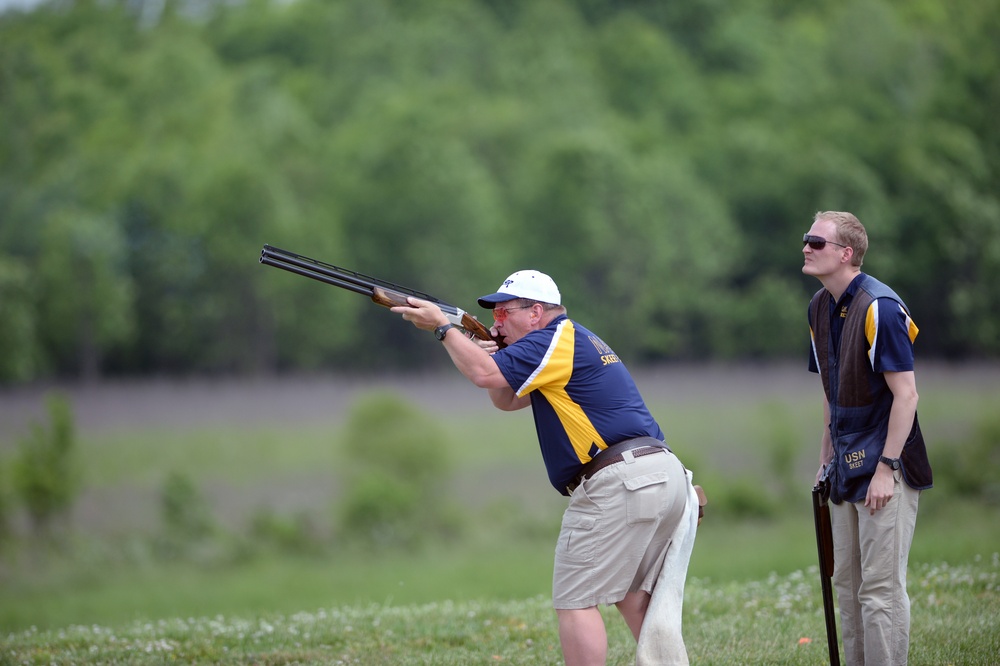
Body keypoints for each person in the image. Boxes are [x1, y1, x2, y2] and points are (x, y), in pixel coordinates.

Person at [391, 269, 702, 666]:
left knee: (575, 600)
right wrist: (475, 344)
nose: (496, 322)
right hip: (658, 474)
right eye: (495, 315)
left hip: (619, 482)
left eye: (504, 313)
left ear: (536, 311)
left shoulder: (553, 338)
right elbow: (504, 398)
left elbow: (485, 374)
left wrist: (442, 328)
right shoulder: (567, 341)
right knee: (633, 595)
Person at [802, 211, 933, 666]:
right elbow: (831, 392)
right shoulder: (819, 307)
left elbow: (907, 395)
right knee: (847, 587)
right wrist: (825, 459)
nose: (806, 247)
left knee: (879, 590)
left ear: (846, 253)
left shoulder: (881, 308)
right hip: (845, 466)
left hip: (885, 466)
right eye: (807, 240)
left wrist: (886, 469)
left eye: (816, 242)